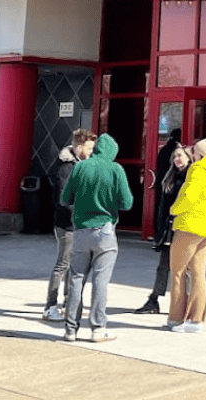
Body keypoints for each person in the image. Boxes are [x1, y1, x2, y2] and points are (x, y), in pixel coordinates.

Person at [61, 132, 133, 343]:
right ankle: (98, 329)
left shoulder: (80, 167)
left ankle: (70, 330)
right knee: (101, 281)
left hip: (81, 230)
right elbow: (127, 203)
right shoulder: (115, 169)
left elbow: (65, 198)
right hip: (105, 231)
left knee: (76, 279)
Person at [166, 135, 206, 334]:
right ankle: (196, 320)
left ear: (199, 153)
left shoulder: (198, 170)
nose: (191, 154)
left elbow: (189, 197)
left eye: (193, 151)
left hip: (189, 225)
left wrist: (174, 209)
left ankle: (176, 318)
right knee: (199, 273)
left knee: (177, 273)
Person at [42, 128, 97, 321]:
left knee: (75, 266)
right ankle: (50, 307)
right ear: (79, 146)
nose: (91, 151)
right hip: (67, 225)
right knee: (63, 265)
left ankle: (68, 303)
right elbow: (62, 199)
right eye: (89, 148)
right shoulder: (65, 167)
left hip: (80, 224)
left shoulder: (82, 164)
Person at [134, 143, 192, 314]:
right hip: (168, 228)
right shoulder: (170, 176)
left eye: (180, 156)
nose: (177, 160)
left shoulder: (191, 178)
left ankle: (185, 303)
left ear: (189, 158)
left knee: (184, 268)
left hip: (183, 228)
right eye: (175, 157)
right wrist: (159, 228)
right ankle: (154, 300)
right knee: (163, 266)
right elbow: (163, 206)